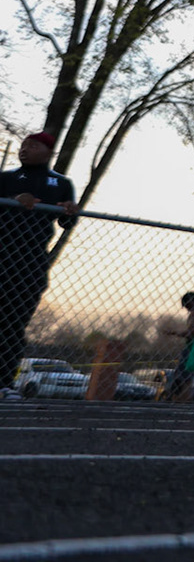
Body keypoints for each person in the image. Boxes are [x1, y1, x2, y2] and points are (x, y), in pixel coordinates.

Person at [0, 132, 77, 393]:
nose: (24, 149)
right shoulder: (6, 179)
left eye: (32, 145)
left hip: (31, 263)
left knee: (13, 324)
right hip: (3, 253)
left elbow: (67, 223)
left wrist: (69, 211)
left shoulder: (60, 183)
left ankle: (3, 383)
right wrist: (13, 202)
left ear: (48, 151)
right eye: (23, 145)